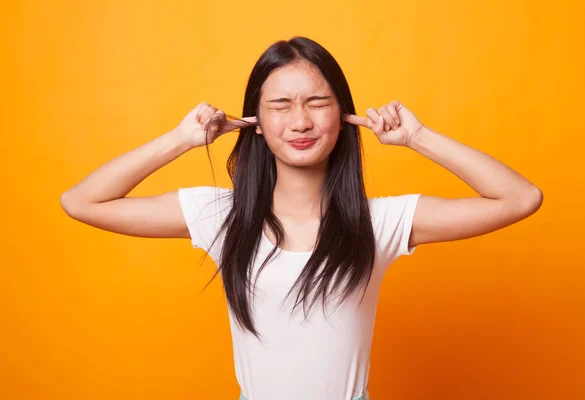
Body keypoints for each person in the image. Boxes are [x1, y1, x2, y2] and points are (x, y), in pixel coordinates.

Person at [60, 36, 543, 400]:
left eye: (317, 102)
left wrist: (417, 137)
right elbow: (82, 202)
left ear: (345, 116)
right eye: (280, 105)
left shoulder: (379, 222)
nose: (300, 121)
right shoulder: (221, 217)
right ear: (254, 120)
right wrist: (182, 139)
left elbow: (520, 198)